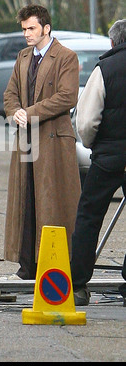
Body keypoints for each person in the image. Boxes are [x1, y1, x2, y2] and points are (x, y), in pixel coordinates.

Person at [2, 4, 81, 280]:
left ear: (46, 28)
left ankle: (57, 262)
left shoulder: (66, 57)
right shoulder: (23, 57)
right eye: (24, 29)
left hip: (54, 142)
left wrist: (29, 113)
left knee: (53, 203)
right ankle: (27, 265)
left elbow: (67, 97)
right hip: (26, 140)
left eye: (31, 28)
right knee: (26, 201)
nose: (26, 34)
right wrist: (14, 112)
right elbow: (10, 93)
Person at [71, 19, 126, 305]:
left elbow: (87, 119)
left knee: (89, 216)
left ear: (113, 42)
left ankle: (78, 285)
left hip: (108, 156)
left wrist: (94, 145)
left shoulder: (104, 69)